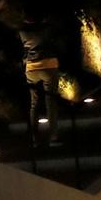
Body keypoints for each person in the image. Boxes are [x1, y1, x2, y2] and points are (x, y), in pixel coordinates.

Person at [17, 15, 63, 148]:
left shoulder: (22, 31)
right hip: (49, 65)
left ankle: (34, 138)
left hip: (31, 68)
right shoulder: (48, 27)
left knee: (34, 103)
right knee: (51, 102)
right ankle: (53, 136)